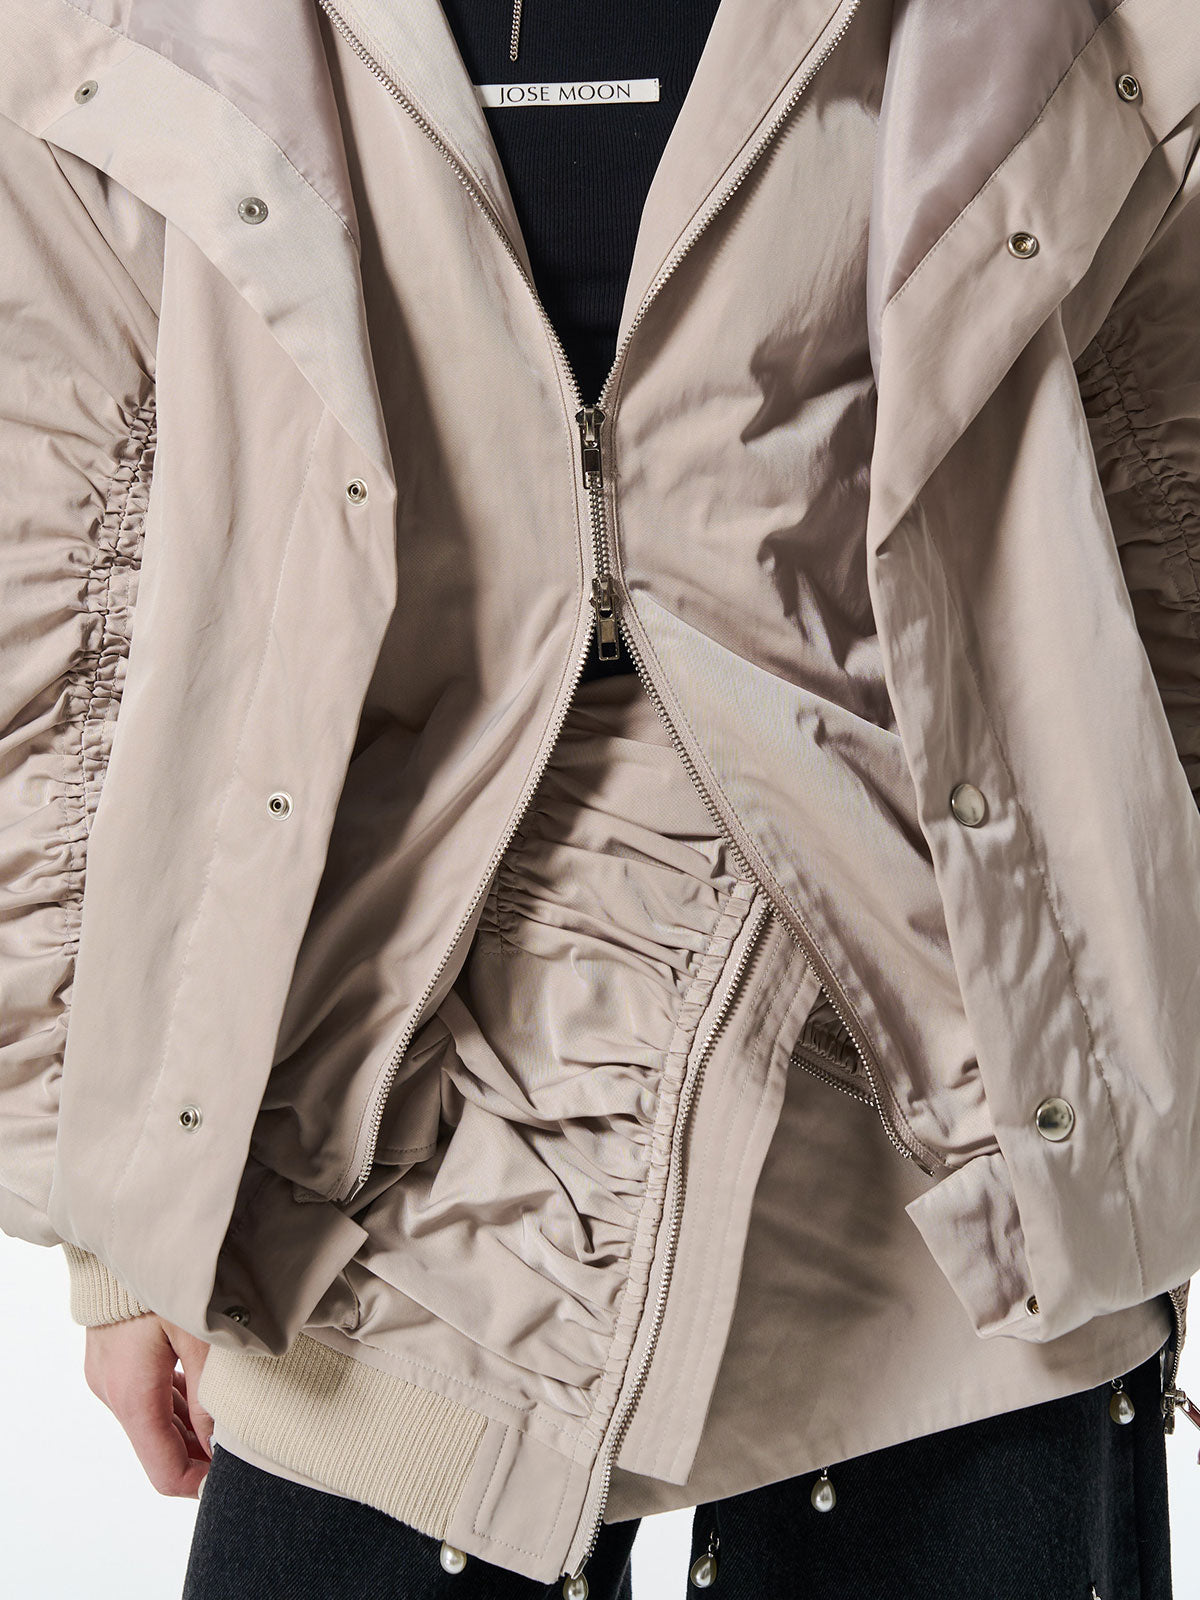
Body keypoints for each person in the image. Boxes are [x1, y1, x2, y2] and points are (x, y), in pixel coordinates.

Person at [2, 2, 1199, 1597]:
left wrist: (1126, 1083)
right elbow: (60, 559)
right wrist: (119, 1201)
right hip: (368, 1120)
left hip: (951, 1113)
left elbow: (1161, 519)